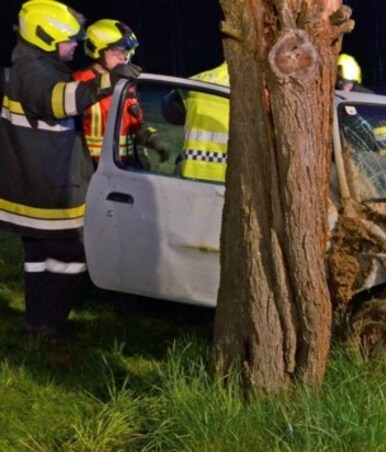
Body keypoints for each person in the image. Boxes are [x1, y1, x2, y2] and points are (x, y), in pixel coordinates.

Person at [0, 0, 139, 343]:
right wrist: (106, 83)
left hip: (35, 184)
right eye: (70, 39)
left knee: (38, 258)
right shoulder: (33, 73)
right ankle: (51, 326)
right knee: (70, 256)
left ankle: (37, 323)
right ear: (46, 37)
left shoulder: (34, 65)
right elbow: (57, 100)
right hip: (46, 190)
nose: (76, 45)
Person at [73, 19, 168, 168]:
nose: (124, 56)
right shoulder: (78, 82)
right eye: (117, 49)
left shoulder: (125, 85)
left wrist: (152, 138)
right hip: (93, 171)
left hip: (126, 168)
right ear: (96, 49)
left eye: (127, 50)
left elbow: (134, 125)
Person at [162, 62, 230, 182]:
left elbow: (169, 112)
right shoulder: (259, 87)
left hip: (191, 173)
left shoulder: (198, 80)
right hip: (232, 176)